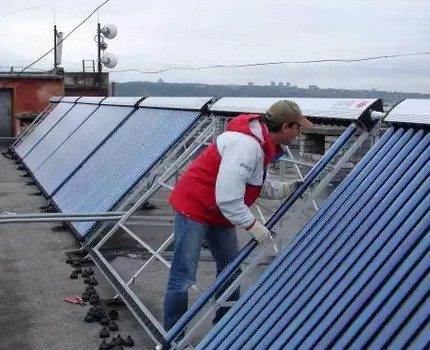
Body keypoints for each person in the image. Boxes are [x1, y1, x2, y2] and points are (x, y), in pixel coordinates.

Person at [164, 100, 314, 331]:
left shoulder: (261, 145)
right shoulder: (246, 145)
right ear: (285, 127)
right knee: (183, 276)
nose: (299, 133)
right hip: (194, 208)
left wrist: (287, 188)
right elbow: (229, 198)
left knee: (231, 271)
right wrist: (254, 226)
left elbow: (251, 183)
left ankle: (224, 330)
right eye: (298, 128)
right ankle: (173, 335)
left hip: (220, 212)